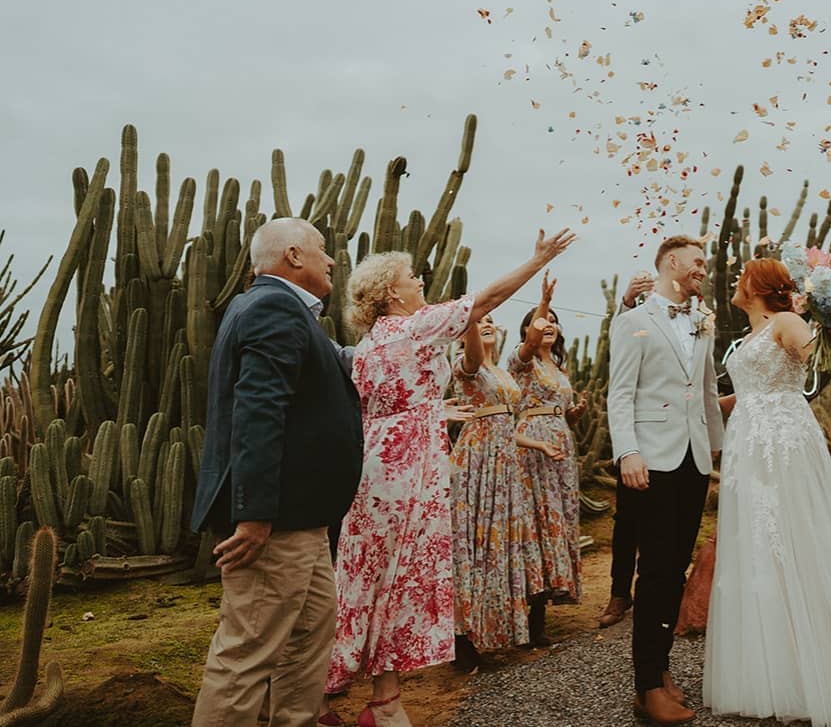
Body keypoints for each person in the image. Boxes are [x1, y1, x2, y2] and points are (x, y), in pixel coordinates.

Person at [324, 229, 574, 727]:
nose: (420, 282)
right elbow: (488, 298)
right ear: (393, 294)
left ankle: (381, 700)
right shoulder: (414, 327)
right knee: (397, 573)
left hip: (376, 464)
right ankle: (323, 697)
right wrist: (537, 258)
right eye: (412, 277)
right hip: (406, 471)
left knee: (377, 576)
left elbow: (383, 406)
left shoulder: (372, 342)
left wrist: (434, 412)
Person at [704, 258, 831, 727]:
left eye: (742, 275)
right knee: (755, 542)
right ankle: (768, 666)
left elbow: (815, 360)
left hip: (782, 442)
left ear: (761, 286)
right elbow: (746, 392)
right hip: (748, 440)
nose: (735, 282)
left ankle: (812, 666)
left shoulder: (788, 321)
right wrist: (700, 405)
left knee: (790, 535)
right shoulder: (747, 336)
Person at [191, 218, 363, 727]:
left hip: (304, 520)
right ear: (293, 256)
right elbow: (258, 414)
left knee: (309, 639)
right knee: (247, 652)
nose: (331, 261)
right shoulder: (273, 307)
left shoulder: (283, 310)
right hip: (276, 523)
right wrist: (255, 515)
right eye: (322, 251)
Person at [607, 235, 726, 725]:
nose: (703, 270)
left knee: (675, 570)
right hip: (651, 460)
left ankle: (662, 670)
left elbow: (706, 389)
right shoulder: (632, 322)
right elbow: (619, 393)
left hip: (693, 461)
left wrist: (720, 451)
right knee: (655, 572)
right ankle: (647, 686)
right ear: (671, 263)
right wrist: (627, 451)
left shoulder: (702, 323)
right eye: (697, 262)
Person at [449, 313, 563, 663]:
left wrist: (538, 445)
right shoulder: (466, 365)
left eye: (490, 320)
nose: (485, 323)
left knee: (498, 546)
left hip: (506, 462)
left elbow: (505, 425)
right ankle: (464, 640)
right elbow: (472, 352)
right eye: (478, 321)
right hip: (477, 462)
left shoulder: (502, 372)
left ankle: (491, 631)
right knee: (476, 545)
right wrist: (471, 314)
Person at [510, 274, 588, 646]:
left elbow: (564, 411)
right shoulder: (521, 363)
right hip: (531, 448)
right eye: (543, 321)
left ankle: (544, 607)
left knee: (558, 519)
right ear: (528, 330)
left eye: (555, 320)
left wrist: (574, 415)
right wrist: (543, 301)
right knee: (535, 525)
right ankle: (530, 620)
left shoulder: (559, 369)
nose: (550, 324)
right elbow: (528, 342)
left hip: (561, 448)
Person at [600, 272, 657, 629]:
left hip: (672, 435)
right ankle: (620, 592)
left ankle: (655, 591)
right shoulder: (632, 324)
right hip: (633, 436)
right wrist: (626, 302)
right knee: (627, 522)